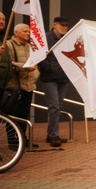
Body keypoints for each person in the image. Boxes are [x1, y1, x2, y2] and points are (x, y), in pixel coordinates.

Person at [38, 16, 71, 147]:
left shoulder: (67, 38)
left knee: (58, 106)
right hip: (49, 77)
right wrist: (49, 67)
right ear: (54, 24)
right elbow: (39, 55)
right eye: (62, 25)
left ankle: (51, 134)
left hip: (63, 77)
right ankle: (53, 135)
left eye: (66, 25)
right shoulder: (45, 38)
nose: (64, 27)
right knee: (54, 106)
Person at [4, 23, 40, 143]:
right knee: (12, 114)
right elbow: (8, 63)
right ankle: (12, 141)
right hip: (14, 85)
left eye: (29, 32)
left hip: (28, 85)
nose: (28, 34)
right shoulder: (8, 45)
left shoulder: (29, 46)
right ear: (16, 33)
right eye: (25, 31)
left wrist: (35, 72)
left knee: (24, 114)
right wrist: (25, 67)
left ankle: (22, 138)